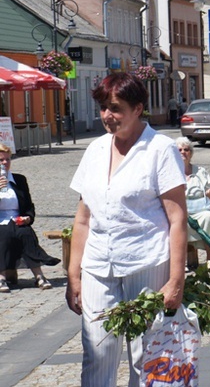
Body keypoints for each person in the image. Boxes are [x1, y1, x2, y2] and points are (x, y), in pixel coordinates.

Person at [66, 73, 187, 387]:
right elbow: (82, 218)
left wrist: (176, 280)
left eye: (116, 108)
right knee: (97, 353)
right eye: (104, 107)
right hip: (97, 265)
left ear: (138, 109)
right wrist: (73, 273)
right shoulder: (95, 150)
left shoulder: (160, 149)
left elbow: (177, 219)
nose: (108, 115)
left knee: (146, 355)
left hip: (146, 263)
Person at [0, 144, 59, 292]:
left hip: (17, 219)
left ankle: (39, 276)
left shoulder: (19, 180)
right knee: (5, 235)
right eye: (1, 160)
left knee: (26, 233)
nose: (5, 163)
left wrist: (28, 218)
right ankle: (1, 278)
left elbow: (29, 206)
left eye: (7, 160)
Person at [176, 137, 210, 270]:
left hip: (200, 208)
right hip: (181, 210)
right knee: (178, 221)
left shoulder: (200, 171)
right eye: (179, 150)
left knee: (208, 217)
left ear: (191, 153)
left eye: (186, 149)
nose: (183, 152)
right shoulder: (171, 172)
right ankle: (182, 262)